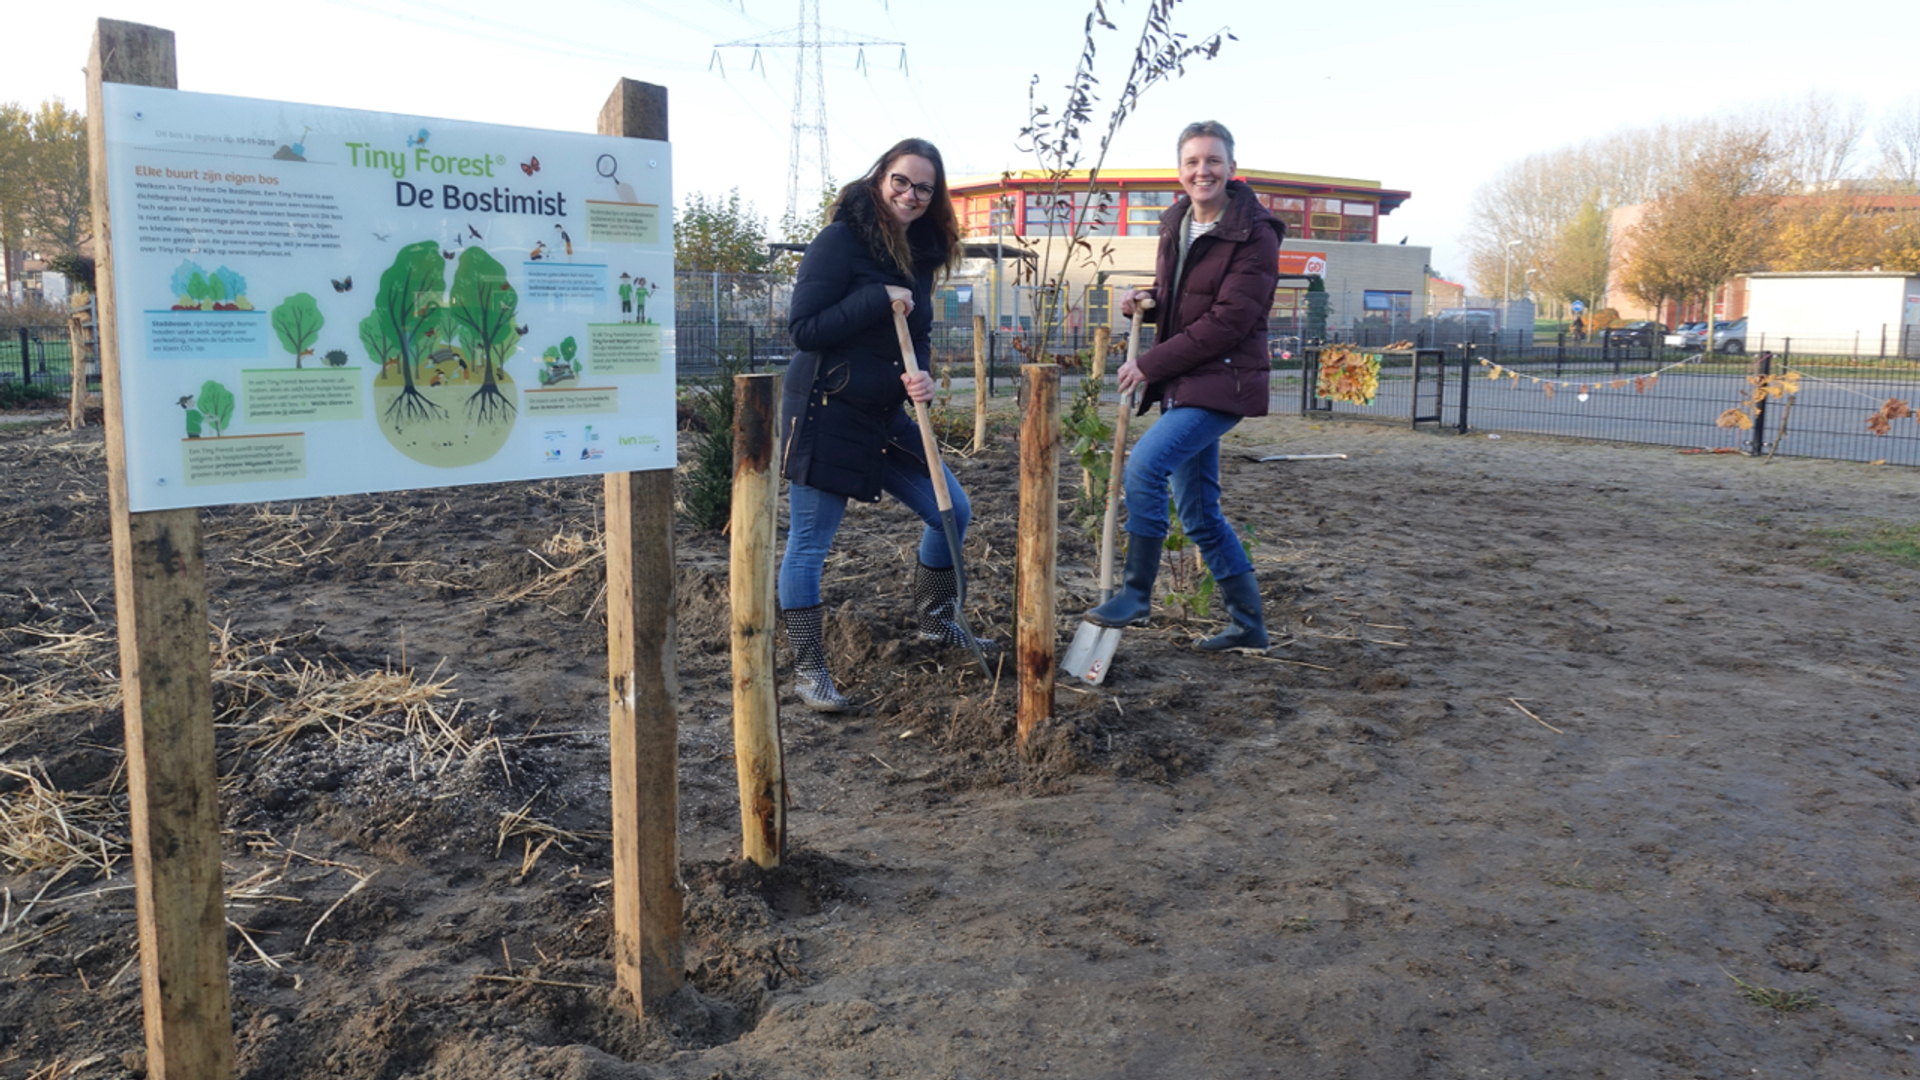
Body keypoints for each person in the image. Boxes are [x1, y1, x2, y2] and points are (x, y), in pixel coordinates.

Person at [778, 137, 983, 711]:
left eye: (924, 187)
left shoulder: (919, 254)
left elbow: (913, 337)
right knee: (810, 545)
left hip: (884, 411)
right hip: (826, 410)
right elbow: (803, 330)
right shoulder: (838, 241)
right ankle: (810, 670)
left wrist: (922, 377)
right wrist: (875, 297)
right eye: (901, 181)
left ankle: (938, 622)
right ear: (879, 177)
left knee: (952, 511)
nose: (911, 195)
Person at [1085, 120, 1282, 654]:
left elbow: (1228, 320)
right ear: (1180, 171)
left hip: (1224, 381)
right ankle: (1248, 625)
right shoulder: (1178, 222)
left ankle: (1136, 593)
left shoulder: (1255, 233)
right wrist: (1145, 301)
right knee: (1198, 514)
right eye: (1193, 162)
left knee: (1145, 467)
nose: (1203, 171)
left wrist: (1150, 364)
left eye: (1213, 161)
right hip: (1189, 379)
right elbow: (1186, 295)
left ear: (1232, 169)